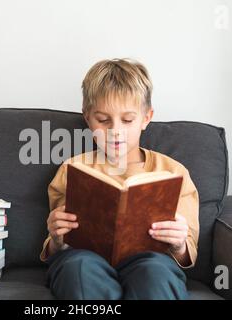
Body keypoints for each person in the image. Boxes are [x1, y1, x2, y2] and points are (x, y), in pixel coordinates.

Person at [39, 58, 199, 300]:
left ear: (146, 117)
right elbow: (55, 245)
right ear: (87, 118)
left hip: (150, 261)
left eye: (127, 120)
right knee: (78, 269)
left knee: (155, 274)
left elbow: (187, 254)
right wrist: (57, 239)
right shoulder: (74, 168)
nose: (115, 131)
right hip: (84, 259)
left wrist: (178, 244)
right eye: (103, 120)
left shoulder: (174, 172)